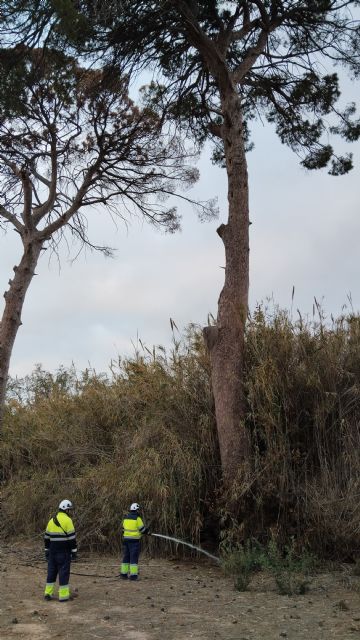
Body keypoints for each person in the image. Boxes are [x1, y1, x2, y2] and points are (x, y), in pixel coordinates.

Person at [43, 499, 78, 602]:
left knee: (51, 573)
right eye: (69, 510)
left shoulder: (51, 520)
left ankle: (48, 594)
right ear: (66, 510)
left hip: (52, 552)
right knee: (63, 573)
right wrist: (74, 551)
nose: (70, 512)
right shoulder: (68, 521)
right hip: (64, 552)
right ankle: (63, 596)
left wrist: (47, 551)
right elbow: (72, 538)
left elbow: (46, 538)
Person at [120, 502, 150, 580]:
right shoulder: (137, 519)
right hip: (134, 541)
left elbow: (123, 530)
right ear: (136, 510)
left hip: (126, 540)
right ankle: (133, 576)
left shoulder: (126, 518)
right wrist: (148, 532)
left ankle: (123, 574)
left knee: (126, 557)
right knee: (134, 558)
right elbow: (142, 530)